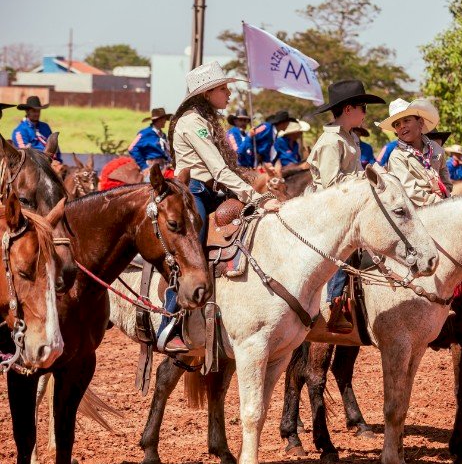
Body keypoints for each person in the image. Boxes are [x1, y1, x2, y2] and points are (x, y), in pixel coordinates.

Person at [159, 61, 281, 352]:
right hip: (194, 194)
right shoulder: (191, 122)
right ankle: (170, 322)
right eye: (224, 89)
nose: (229, 93)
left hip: (215, 193)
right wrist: (258, 197)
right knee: (192, 253)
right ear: (208, 92)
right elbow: (218, 169)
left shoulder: (208, 120)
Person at [308, 79, 385, 332]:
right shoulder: (331, 142)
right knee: (343, 250)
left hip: (349, 206)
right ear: (349, 109)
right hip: (331, 209)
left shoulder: (349, 137)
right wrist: (364, 178)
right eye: (363, 107)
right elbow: (331, 185)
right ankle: (333, 303)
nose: (365, 113)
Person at [382, 98, 450, 206]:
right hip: (418, 209)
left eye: (406, 120)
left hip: (443, 201)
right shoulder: (397, 156)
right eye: (397, 124)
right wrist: (436, 202)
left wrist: (446, 193)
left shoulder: (436, 148)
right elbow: (410, 190)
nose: (402, 126)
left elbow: (444, 173)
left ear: (420, 122)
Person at [128, 107, 173, 173]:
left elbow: (166, 152)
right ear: (158, 120)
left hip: (165, 167)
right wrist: (144, 166)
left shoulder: (163, 135)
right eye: (164, 119)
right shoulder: (145, 133)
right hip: (151, 167)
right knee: (150, 182)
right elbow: (131, 148)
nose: (165, 121)